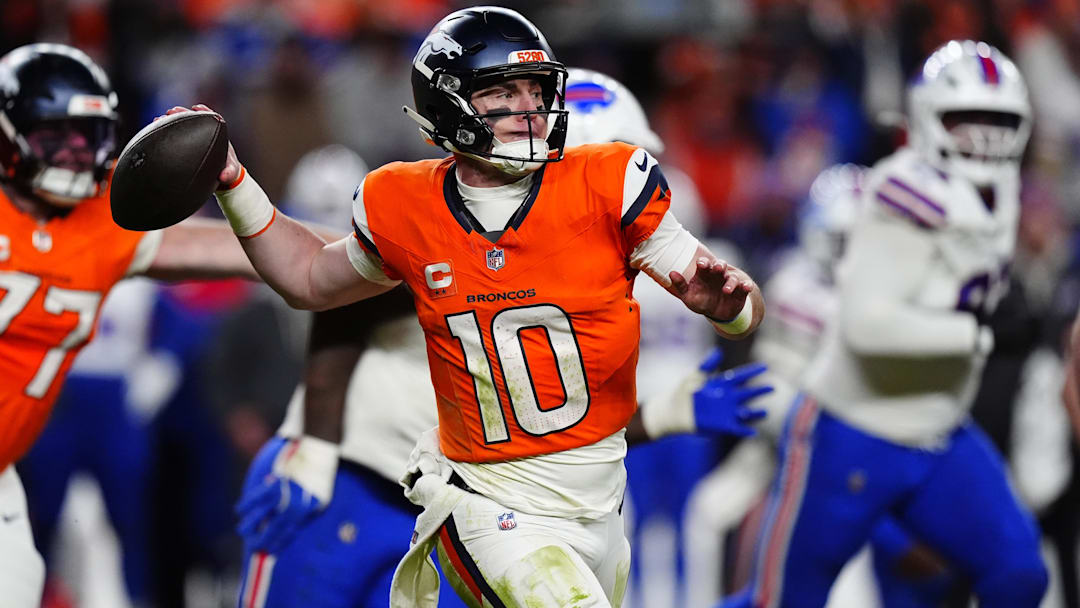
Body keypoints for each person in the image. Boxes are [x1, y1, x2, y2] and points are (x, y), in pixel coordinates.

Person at [166, 6, 766, 607]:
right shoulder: (406, 206)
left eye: (537, 91)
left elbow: (735, 310)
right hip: (485, 505)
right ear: (450, 105)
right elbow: (310, 284)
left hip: (596, 507)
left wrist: (730, 308)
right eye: (504, 93)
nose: (530, 111)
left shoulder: (612, 184)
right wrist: (236, 182)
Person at [722, 40, 1048, 608]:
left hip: (940, 429)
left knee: (1019, 575)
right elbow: (870, 328)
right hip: (853, 432)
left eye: (999, 120)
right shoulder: (903, 192)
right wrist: (972, 335)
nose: (985, 136)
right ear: (927, 117)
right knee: (779, 602)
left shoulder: (1002, 192)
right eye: (966, 119)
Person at [0, 43, 260, 607]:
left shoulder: (107, 214)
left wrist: (365, 247)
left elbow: (244, 253)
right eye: (53, 135)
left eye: (86, 135)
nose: (72, 153)